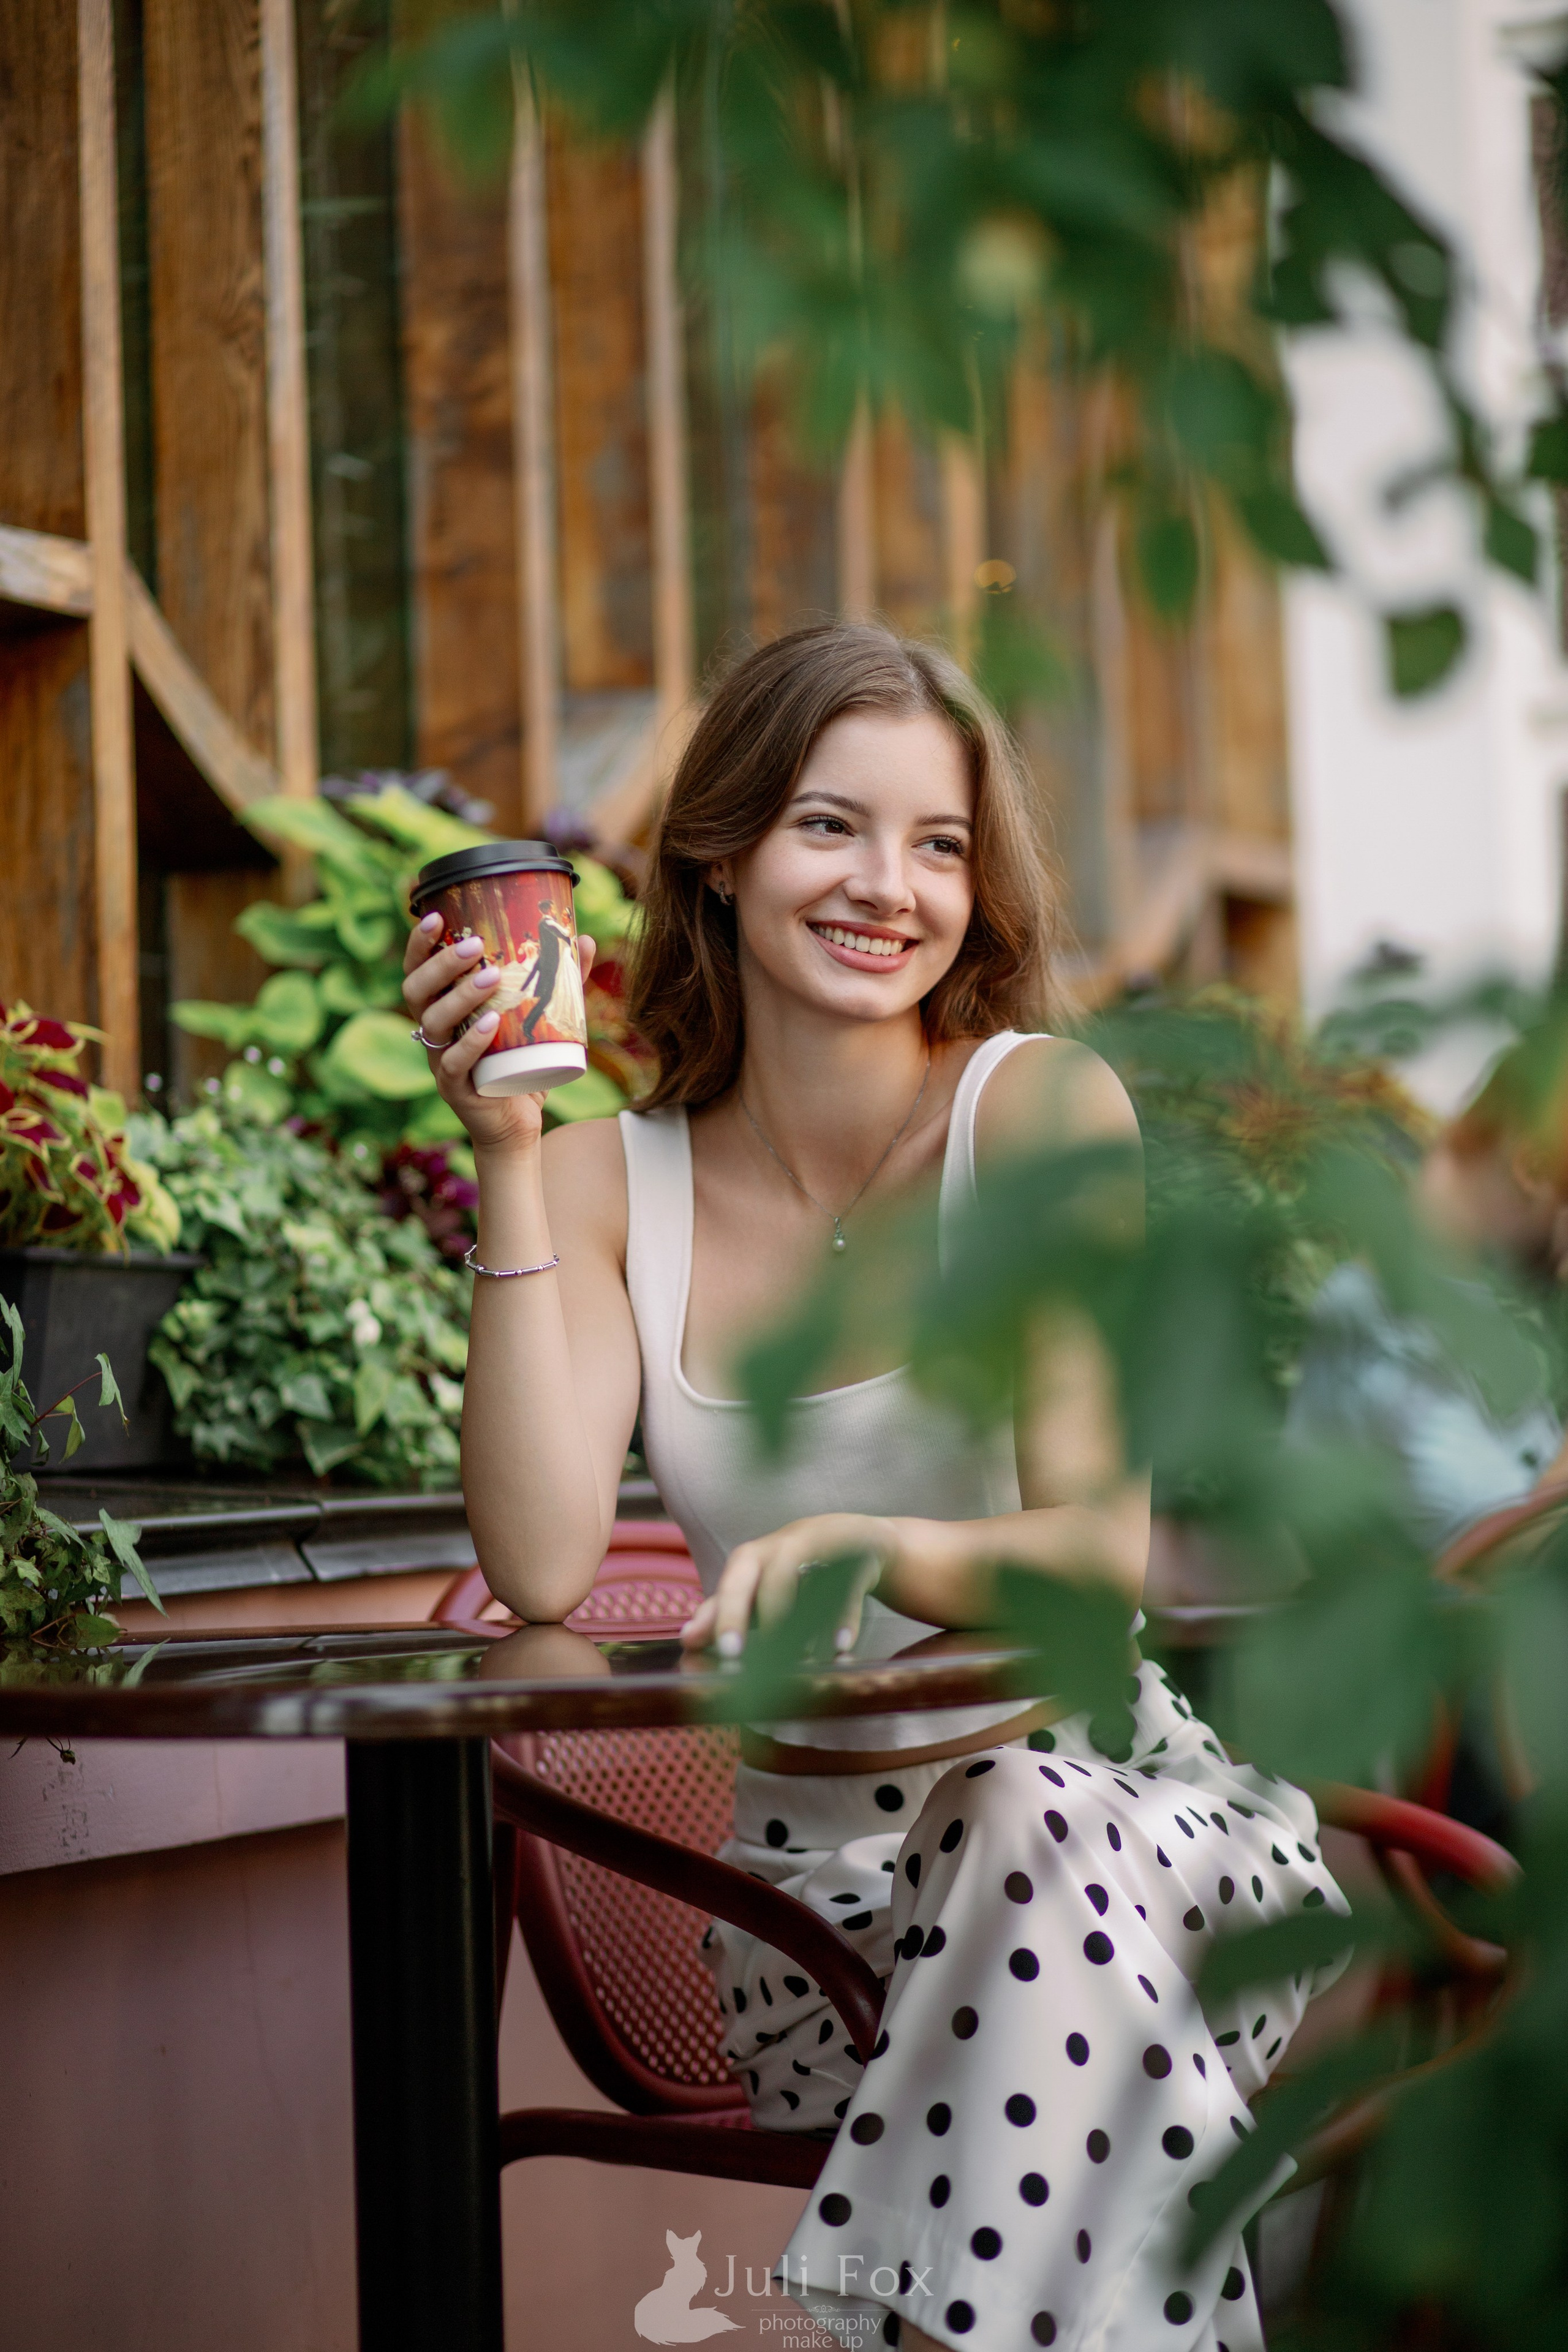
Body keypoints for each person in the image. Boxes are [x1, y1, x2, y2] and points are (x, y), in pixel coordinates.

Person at [403, 625, 1346, 2352]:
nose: (887, 886)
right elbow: (539, 1566)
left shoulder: (1041, 1118)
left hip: (1139, 1849)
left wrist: (860, 1541)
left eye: (939, 844)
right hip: (816, 1923)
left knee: (1025, 1819)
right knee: (1038, 1985)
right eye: (832, 827)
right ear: (724, 846)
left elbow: (1091, 1565)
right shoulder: (618, 1182)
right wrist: (509, 1162)